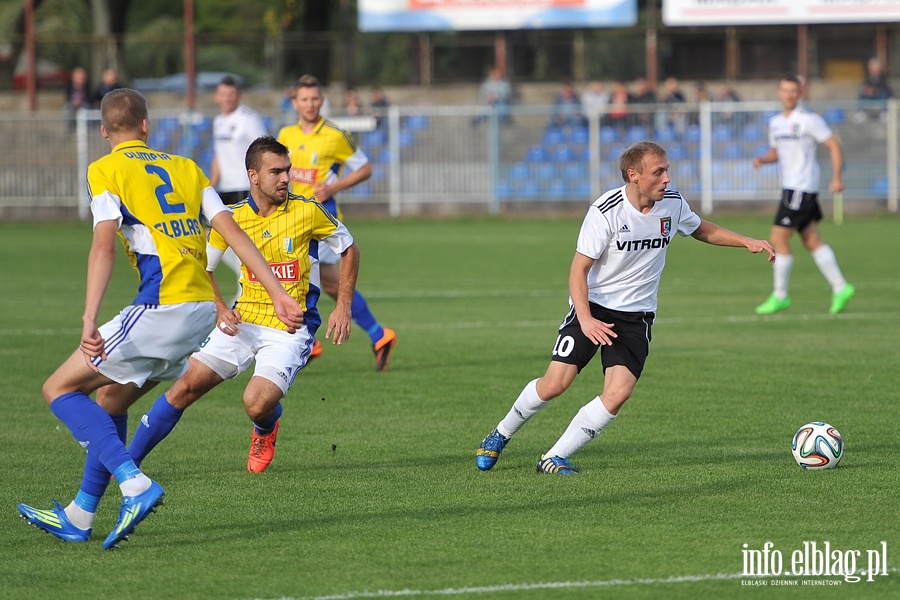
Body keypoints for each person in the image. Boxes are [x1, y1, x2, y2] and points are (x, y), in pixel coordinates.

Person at [16, 89, 304, 549]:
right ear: (147, 126)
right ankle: (80, 514)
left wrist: (89, 316)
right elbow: (231, 230)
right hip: (200, 314)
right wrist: (278, 293)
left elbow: (104, 245)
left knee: (58, 388)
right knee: (111, 400)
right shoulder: (186, 168)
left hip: (160, 304)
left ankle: (134, 483)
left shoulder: (104, 169)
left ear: (105, 131)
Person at [475, 141, 775, 475]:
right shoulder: (606, 211)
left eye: (667, 170)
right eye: (658, 172)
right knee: (555, 384)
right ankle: (501, 433)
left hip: (637, 317)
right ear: (633, 175)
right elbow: (578, 270)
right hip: (594, 308)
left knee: (618, 393)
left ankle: (553, 457)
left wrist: (745, 240)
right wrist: (586, 320)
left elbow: (700, 228)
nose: (666, 179)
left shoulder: (672, 205)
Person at [122, 136, 359, 474]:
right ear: (253, 176)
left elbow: (349, 247)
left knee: (256, 403)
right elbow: (202, 266)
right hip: (243, 320)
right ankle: (127, 466)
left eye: (287, 171)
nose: (285, 179)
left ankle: (265, 426)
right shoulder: (231, 219)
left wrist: (343, 305)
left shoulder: (307, 211)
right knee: (185, 386)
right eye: (275, 171)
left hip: (290, 328)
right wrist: (220, 307)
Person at [277, 74, 397, 371]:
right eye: (304, 99)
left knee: (294, 279)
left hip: (320, 221)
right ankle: (379, 335)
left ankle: (307, 341)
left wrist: (333, 187)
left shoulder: (335, 134)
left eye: (315, 98)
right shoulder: (286, 134)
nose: (310, 104)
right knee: (329, 284)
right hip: (291, 219)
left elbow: (366, 168)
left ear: (322, 100)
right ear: (295, 102)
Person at [752, 75, 855, 316]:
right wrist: (762, 159)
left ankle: (780, 295)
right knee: (811, 240)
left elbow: (833, 145)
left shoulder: (809, 120)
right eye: (785, 90)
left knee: (778, 238)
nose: (789, 94)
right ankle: (841, 287)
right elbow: (776, 152)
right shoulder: (776, 123)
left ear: (800, 94)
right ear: (779, 92)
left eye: (793, 91)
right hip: (791, 187)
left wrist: (837, 178)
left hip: (801, 187)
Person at [209, 75, 269, 307]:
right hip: (226, 189)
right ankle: (247, 275)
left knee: (244, 238)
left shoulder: (248, 119)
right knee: (213, 235)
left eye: (231, 94)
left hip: (246, 187)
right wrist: (211, 187)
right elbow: (219, 157)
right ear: (217, 96)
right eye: (223, 94)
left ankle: (250, 279)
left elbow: (264, 151)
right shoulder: (218, 122)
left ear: (238, 96)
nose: (227, 98)